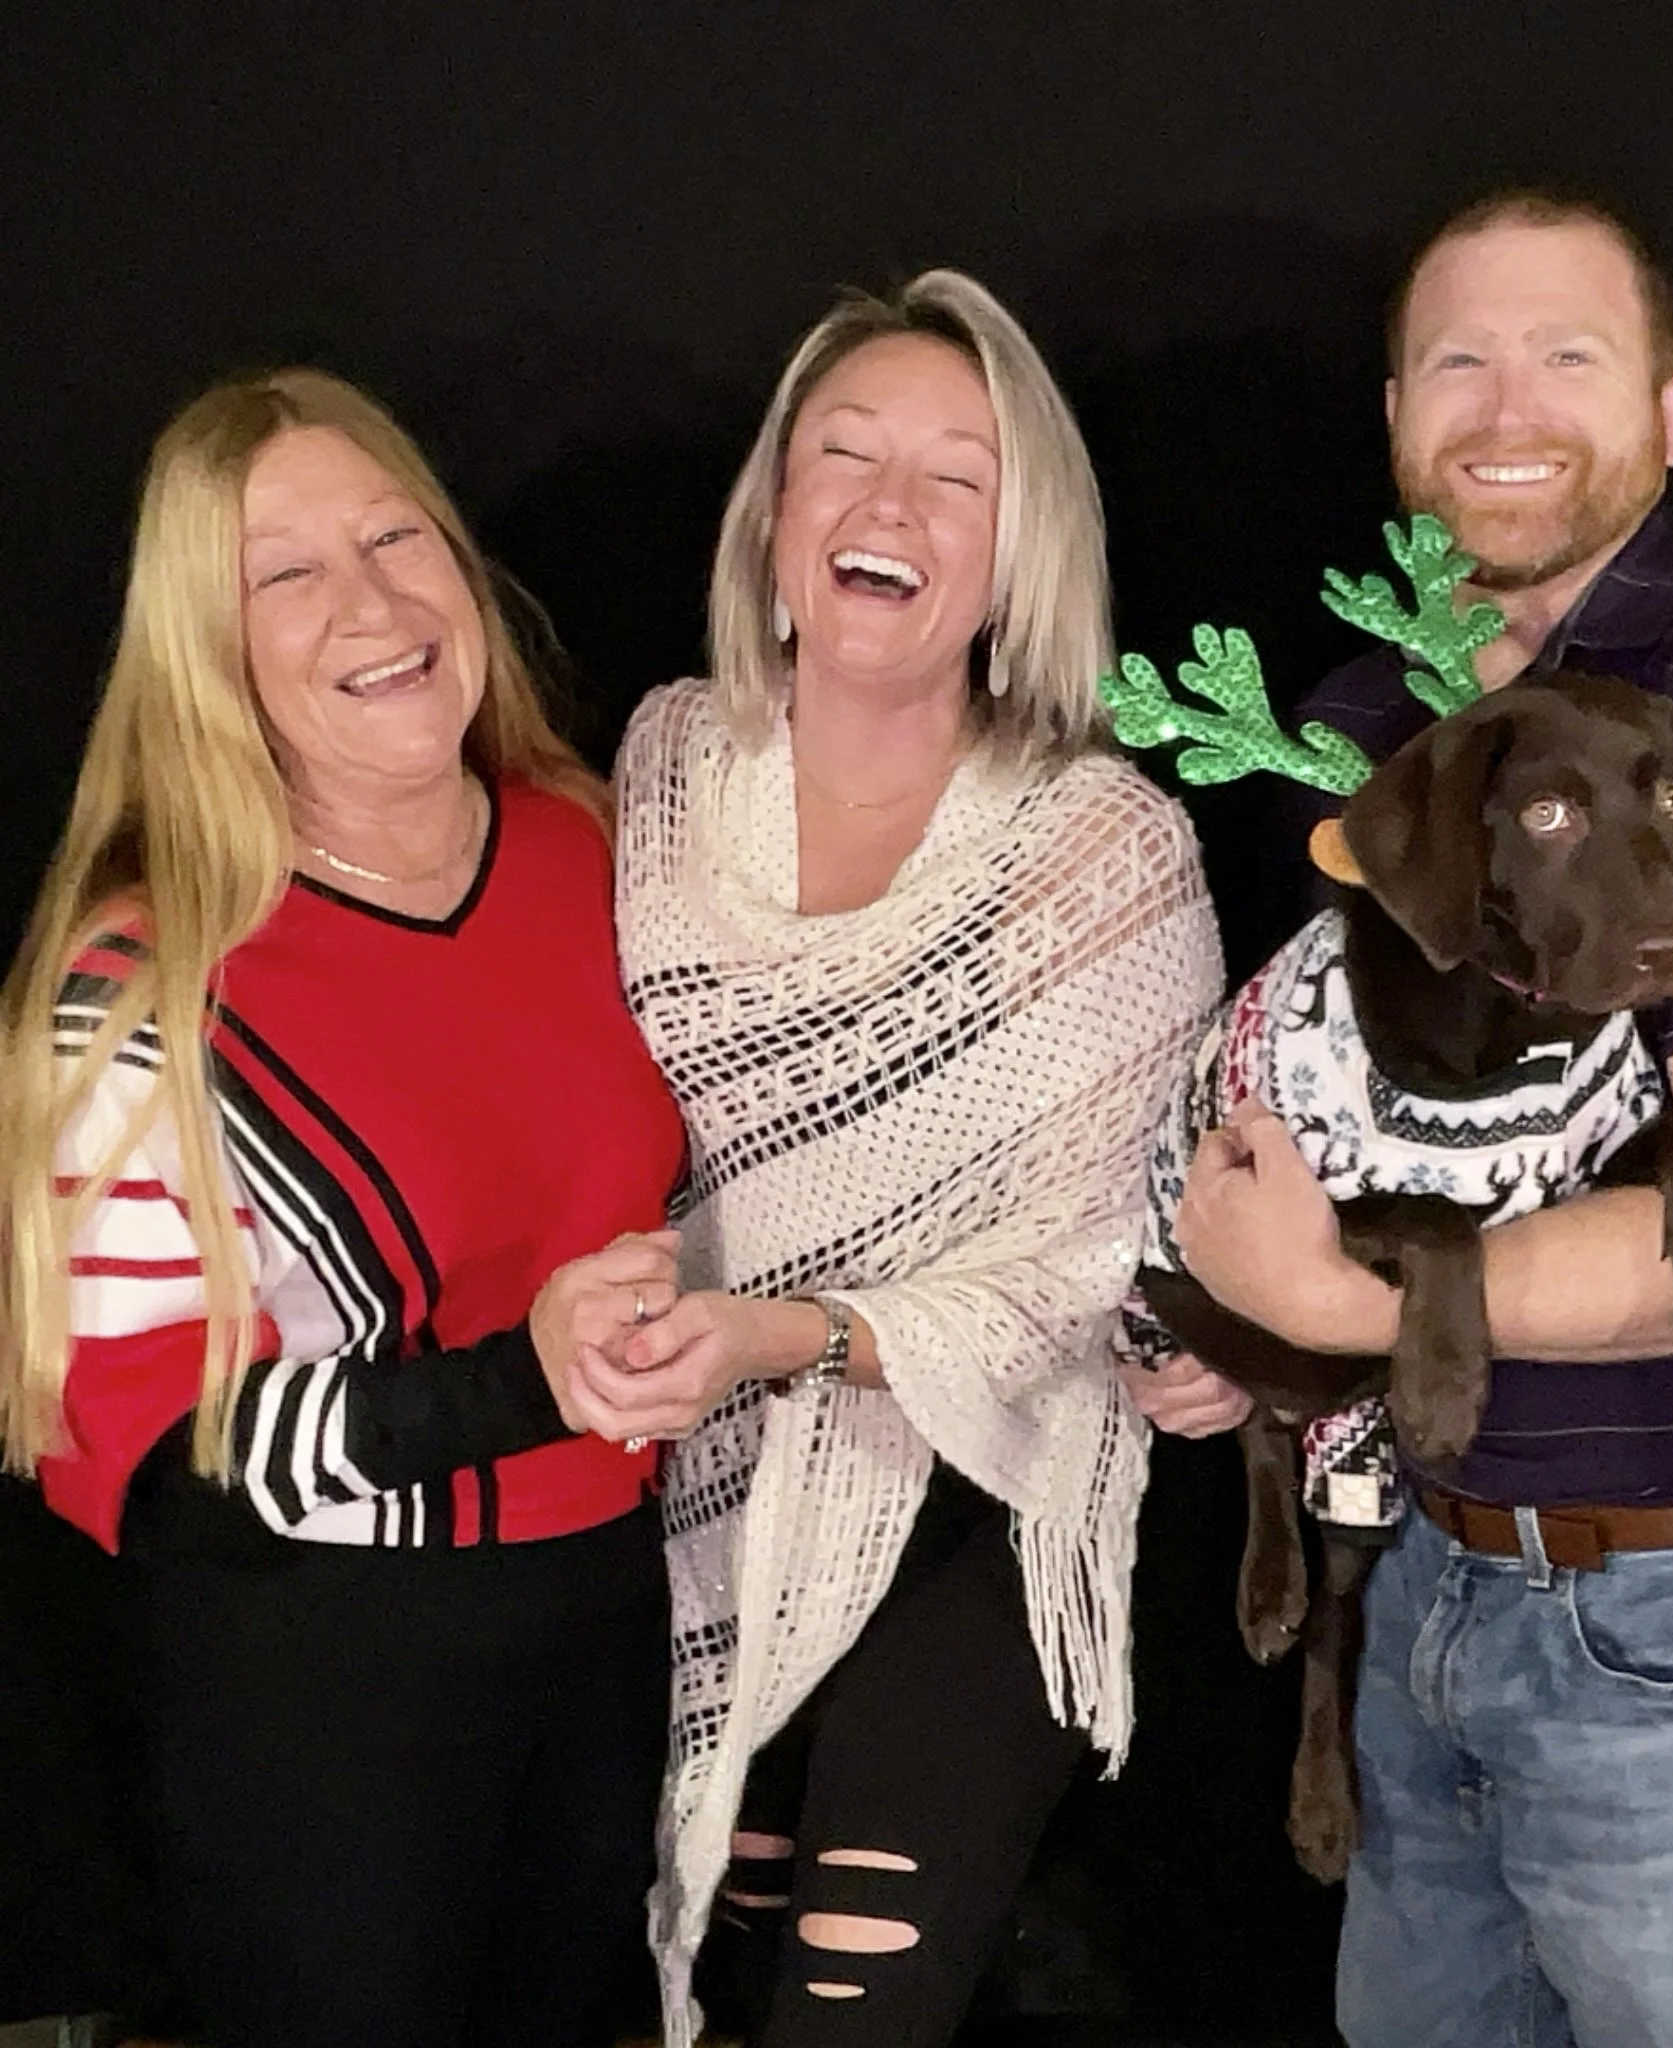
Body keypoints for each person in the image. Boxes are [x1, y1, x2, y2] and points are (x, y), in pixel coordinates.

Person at [1129, 188, 1673, 2048]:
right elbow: (1339, 1118)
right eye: (1457, 360)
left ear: (1670, 412)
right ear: (1400, 413)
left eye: (1568, 356)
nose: (1507, 405)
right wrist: (1254, 1326)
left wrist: (1356, 1305)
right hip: (1426, 1575)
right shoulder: (1360, 725)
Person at [0, 368, 687, 2048]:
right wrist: (529, 1382)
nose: (369, 603)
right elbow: (156, 1470)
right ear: (201, 645)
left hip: (618, 1635)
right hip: (325, 1687)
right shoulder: (143, 981)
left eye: (396, 536)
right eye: (282, 572)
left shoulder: (605, 848)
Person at [573, 269, 1222, 2047]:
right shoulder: (663, 763)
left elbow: (1113, 1252)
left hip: (975, 1481)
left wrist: (799, 1333)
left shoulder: (1105, 846)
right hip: (680, 1481)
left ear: (1021, 554)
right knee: (690, 1967)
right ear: (775, 514)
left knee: (855, 2007)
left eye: (956, 476)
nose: (885, 506)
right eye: (842, 455)